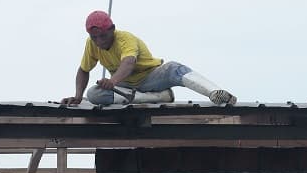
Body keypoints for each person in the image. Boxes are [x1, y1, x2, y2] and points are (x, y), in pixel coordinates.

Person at [61, 11, 237, 106]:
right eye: (94, 38)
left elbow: (128, 63)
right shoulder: (91, 44)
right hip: (126, 87)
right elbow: (84, 70)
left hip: (150, 78)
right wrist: (78, 96)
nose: (99, 42)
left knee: (173, 68)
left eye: (103, 36)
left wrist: (113, 81)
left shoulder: (126, 39)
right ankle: (158, 97)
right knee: (94, 94)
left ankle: (215, 93)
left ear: (112, 29)